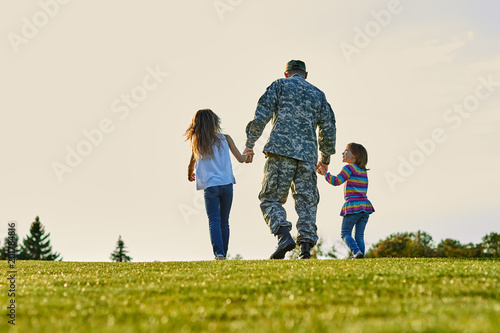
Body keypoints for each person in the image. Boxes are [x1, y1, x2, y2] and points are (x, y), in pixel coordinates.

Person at [244, 60, 336, 259]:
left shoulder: (279, 85)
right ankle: (304, 249)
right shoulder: (318, 95)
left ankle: (284, 236)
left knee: (270, 198)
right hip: (307, 157)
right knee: (307, 202)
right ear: (306, 75)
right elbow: (328, 127)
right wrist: (325, 158)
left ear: (286, 73)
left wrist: (250, 143)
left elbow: (261, 114)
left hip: (280, 151)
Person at [185, 109, 251, 260]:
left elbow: (190, 165)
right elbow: (241, 159)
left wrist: (190, 175)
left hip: (211, 187)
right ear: (215, 123)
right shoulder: (225, 139)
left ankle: (219, 254)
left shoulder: (198, 143)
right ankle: (223, 254)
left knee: (214, 220)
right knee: (224, 221)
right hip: (227, 185)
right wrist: (248, 155)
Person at [317, 143, 375, 259]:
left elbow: (336, 181)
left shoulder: (349, 168)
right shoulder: (363, 171)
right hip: (365, 207)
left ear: (355, 156)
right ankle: (361, 257)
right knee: (359, 235)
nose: (342, 153)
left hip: (353, 206)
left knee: (345, 233)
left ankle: (356, 252)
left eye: (346, 151)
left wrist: (325, 174)